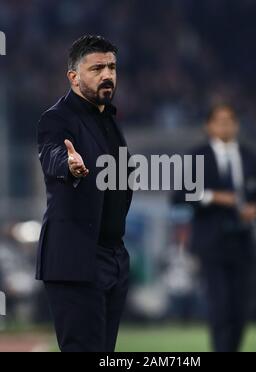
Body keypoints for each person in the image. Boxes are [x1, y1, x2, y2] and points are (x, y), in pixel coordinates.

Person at [36, 35, 133, 352]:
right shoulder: (57, 118)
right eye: (97, 68)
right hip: (76, 259)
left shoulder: (107, 119)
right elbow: (51, 154)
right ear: (73, 77)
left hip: (112, 257)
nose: (108, 75)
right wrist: (68, 164)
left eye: (112, 67)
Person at [173, 104, 256, 352]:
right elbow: (179, 195)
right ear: (209, 125)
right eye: (220, 120)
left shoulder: (250, 156)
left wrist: (255, 210)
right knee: (220, 306)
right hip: (212, 241)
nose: (225, 125)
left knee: (240, 309)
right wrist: (213, 196)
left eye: (230, 120)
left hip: (244, 241)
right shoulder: (196, 155)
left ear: (237, 125)